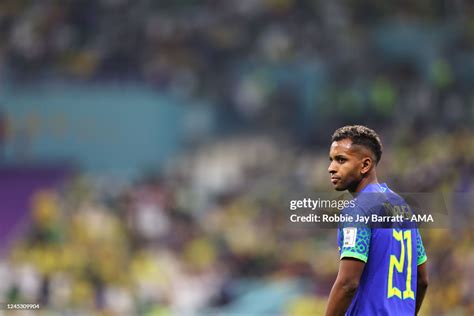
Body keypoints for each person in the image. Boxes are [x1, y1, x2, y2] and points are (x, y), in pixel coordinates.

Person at [325, 125, 428, 316]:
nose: (331, 168)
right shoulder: (403, 207)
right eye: (331, 160)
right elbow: (422, 280)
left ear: (365, 165)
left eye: (341, 160)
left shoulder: (359, 209)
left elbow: (348, 284)